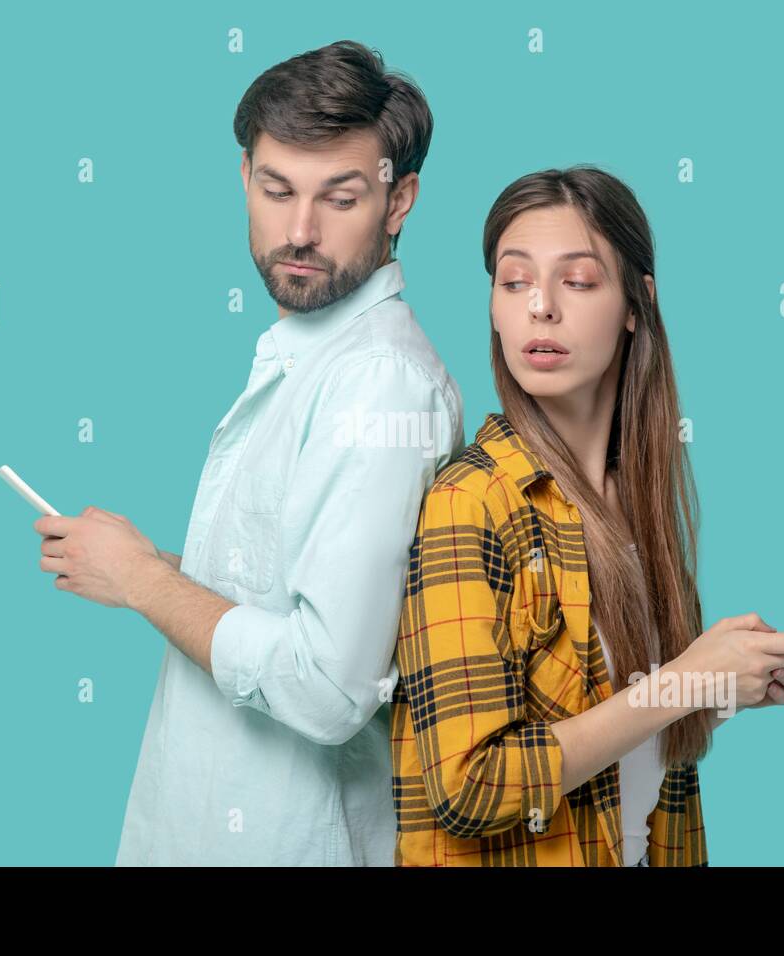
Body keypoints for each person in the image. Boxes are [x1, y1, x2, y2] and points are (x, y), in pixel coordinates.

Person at [32, 40, 463, 865]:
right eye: (277, 190)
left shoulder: (379, 385)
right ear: (243, 179)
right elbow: (279, 599)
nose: (299, 231)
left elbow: (330, 686)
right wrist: (139, 563)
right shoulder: (309, 356)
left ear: (398, 199)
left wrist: (141, 579)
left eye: (339, 198)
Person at [391, 165, 784, 866]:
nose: (540, 307)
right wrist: (681, 683)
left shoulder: (642, 505)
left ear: (636, 302)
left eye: (579, 281)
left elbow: (617, 737)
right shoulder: (471, 502)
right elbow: (468, 787)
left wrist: (715, 690)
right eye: (514, 281)